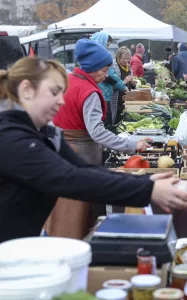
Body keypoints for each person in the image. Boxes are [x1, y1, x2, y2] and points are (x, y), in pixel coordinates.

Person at [0, 56, 187, 243]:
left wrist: (146, 181)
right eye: (54, 92)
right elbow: (70, 178)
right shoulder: (10, 137)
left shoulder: (46, 133)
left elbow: (84, 170)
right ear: (26, 89)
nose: (61, 101)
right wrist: (149, 189)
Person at [49, 39, 151, 239]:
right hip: (82, 156)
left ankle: (61, 241)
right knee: (81, 212)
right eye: (104, 71)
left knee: (62, 207)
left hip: (60, 153)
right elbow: (97, 132)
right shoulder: (90, 93)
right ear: (92, 67)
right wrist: (131, 144)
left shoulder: (66, 81)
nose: (107, 75)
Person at [90, 32, 132, 129]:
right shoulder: (98, 58)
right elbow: (110, 76)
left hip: (103, 94)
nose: (107, 47)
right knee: (104, 124)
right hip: (101, 95)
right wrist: (123, 85)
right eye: (107, 45)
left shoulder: (98, 56)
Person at [111, 46, 136, 125]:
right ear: (118, 57)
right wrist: (125, 81)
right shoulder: (113, 67)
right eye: (124, 58)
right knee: (116, 120)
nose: (126, 61)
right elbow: (113, 84)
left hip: (125, 99)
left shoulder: (128, 67)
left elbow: (130, 84)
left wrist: (132, 84)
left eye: (128, 58)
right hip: (115, 99)